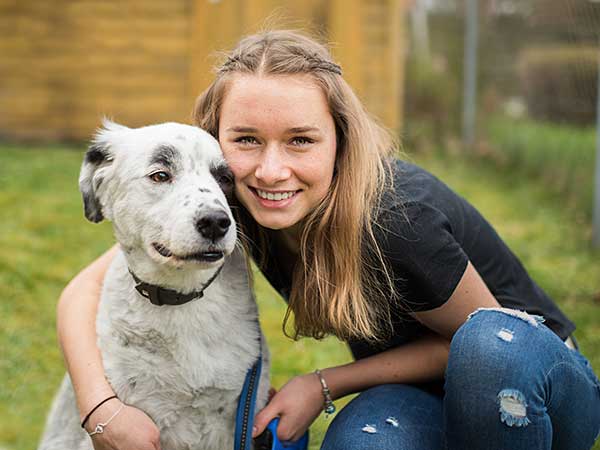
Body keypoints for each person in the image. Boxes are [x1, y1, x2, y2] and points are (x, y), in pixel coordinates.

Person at [57, 30, 600, 450]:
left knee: (486, 347)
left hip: (536, 383)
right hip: (421, 395)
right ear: (215, 142)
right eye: (246, 140)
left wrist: (321, 384)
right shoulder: (233, 207)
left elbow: (477, 347)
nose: (271, 170)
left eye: (301, 140)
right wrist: (99, 405)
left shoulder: (396, 217)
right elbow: (82, 292)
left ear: (340, 140)